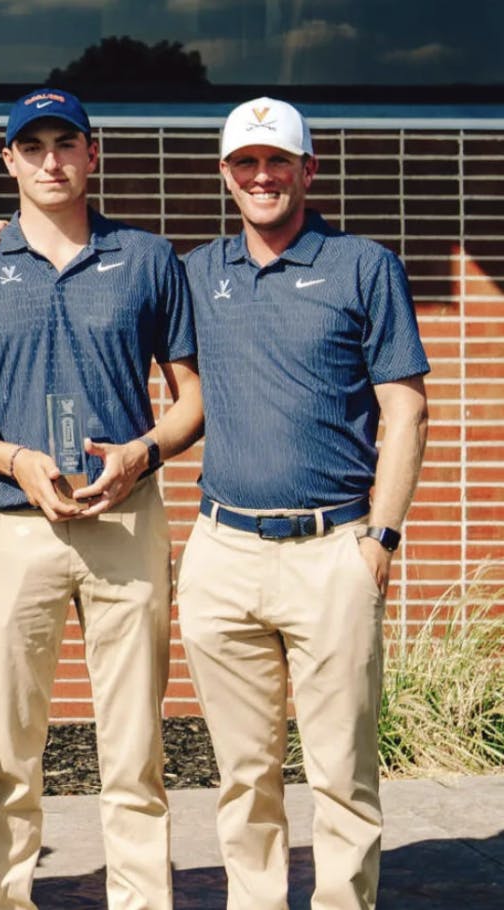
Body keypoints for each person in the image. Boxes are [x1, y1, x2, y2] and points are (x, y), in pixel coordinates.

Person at [0, 88, 204, 910]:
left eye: (65, 144)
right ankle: (7, 899)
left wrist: (142, 454)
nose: (51, 160)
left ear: (92, 155)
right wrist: (12, 460)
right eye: (32, 146)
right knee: (7, 747)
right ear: (7, 160)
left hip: (125, 519)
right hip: (13, 528)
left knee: (135, 745)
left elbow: (192, 398)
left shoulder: (149, 259)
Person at [176, 97, 428, 909]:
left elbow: (406, 408)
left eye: (277, 161)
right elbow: (90, 283)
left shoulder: (363, 267)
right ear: (226, 176)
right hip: (223, 552)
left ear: (308, 169)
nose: (262, 177)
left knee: (342, 773)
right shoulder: (196, 274)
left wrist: (380, 541)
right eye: (245, 163)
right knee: (244, 777)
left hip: (333, 552)